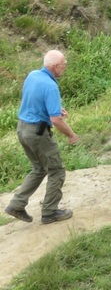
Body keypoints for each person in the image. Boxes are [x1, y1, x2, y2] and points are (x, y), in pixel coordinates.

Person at [4, 50, 79, 225]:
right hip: (38, 133)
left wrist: (54, 109)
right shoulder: (51, 86)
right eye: (63, 65)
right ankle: (50, 212)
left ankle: (16, 205)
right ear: (55, 67)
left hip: (23, 129)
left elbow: (32, 99)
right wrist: (71, 134)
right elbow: (56, 120)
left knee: (38, 168)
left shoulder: (33, 75)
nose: (65, 67)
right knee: (57, 170)